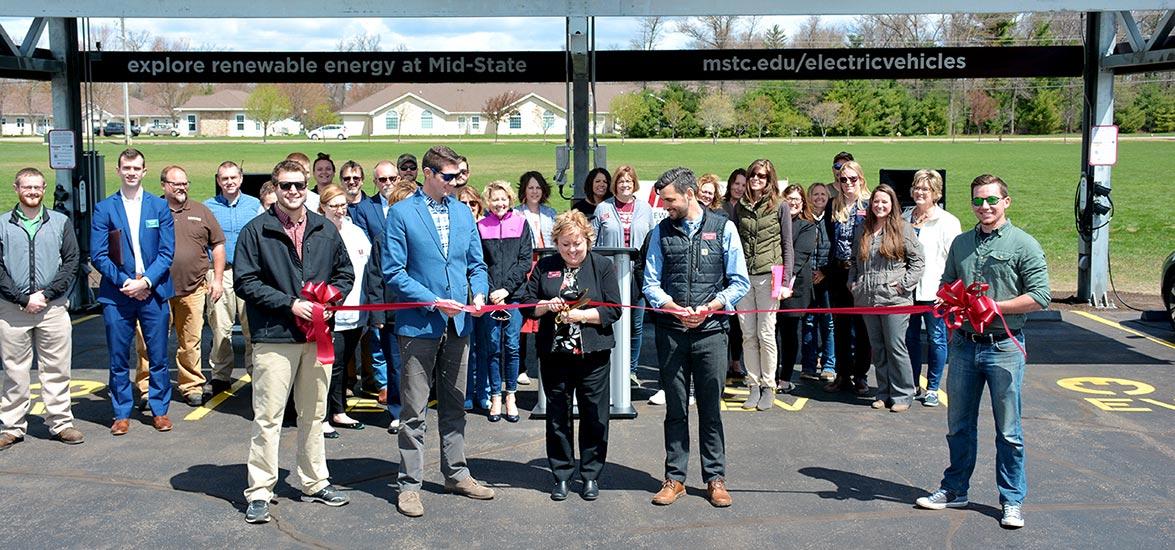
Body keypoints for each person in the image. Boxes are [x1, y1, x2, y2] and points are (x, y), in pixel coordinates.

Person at [915, 174, 1049, 530]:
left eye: (991, 200)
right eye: (978, 201)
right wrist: (953, 305)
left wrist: (995, 307)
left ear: (1006, 202)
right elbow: (945, 286)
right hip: (964, 348)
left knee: (1009, 431)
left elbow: (1040, 297)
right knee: (958, 425)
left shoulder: (1024, 244)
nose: (984, 207)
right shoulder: (961, 244)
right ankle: (955, 488)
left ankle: (1012, 500)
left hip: (1003, 348)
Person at [234, 160, 354, 524]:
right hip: (275, 336)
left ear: (308, 188)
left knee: (314, 414)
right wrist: (290, 304)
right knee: (268, 417)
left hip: (317, 338)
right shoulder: (256, 231)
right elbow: (246, 282)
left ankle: (314, 481)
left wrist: (332, 301)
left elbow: (344, 273)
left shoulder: (324, 229)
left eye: (299, 185)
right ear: (274, 188)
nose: (293, 192)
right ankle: (259, 490)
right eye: (285, 186)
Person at [384, 145, 495, 518]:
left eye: (458, 177)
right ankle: (409, 486)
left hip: (459, 323)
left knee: (455, 405)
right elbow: (394, 273)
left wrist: (477, 291)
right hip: (419, 325)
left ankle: (456, 473)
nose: (454, 183)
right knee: (414, 409)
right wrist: (433, 300)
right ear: (429, 174)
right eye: (448, 177)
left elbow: (476, 264)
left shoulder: (463, 213)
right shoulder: (400, 214)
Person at [644, 167, 749, 508]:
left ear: (689, 195)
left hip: (712, 333)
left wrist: (710, 307)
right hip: (672, 332)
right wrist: (673, 307)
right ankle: (675, 478)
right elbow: (650, 283)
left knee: (710, 409)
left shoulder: (723, 229)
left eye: (670, 199)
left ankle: (715, 478)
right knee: (675, 408)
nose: (665, 206)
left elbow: (739, 282)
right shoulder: (661, 231)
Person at [523, 210, 621, 501]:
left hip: (593, 354)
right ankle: (562, 475)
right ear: (556, 243)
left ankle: (590, 475)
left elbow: (613, 309)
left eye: (577, 243)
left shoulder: (602, 265)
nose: (572, 250)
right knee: (557, 417)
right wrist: (545, 305)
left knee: (594, 415)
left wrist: (581, 316)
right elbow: (527, 304)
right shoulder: (545, 266)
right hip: (555, 355)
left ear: (587, 240)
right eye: (565, 244)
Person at [90, 148, 176, 436]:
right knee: (118, 357)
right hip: (118, 293)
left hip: (153, 291)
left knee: (159, 356)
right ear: (118, 171)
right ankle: (121, 413)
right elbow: (98, 255)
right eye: (126, 168)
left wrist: (146, 282)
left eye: (136, 168)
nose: (131, 172)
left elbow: (167, 252)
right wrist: (127, 282)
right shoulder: (105, 208)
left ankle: (160, 410)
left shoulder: (159, 207)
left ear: (144, 171)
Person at [0, 167, 84, 449]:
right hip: (13, 310)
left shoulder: (60, 221)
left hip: (53, 308)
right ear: (16, 189)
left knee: (57, 368)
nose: (32, 192)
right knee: (14, 371)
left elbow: (72, 261)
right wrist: (23, 299)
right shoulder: (2, 224)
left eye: (37, 187)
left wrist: (47, 295)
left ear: (44, 189)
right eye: (27, 187)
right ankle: (12, 426)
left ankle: (60, 422)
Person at [133, 165, 226, 408]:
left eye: (185, 183)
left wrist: (216, 279)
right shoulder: (150, 209)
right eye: (176, 183)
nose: (181, 187)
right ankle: (147, 388)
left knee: (191, 341)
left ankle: (191, 385)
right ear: (164, 185)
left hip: (193, 288)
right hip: (154, 291)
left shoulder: (200, 211)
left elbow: (217, 245)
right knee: (149, 341)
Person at [850, 185, 924, 412]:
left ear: (892, 204)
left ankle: (902, 394)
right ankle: (883, 392)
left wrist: (903, 285)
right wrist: (853, 284)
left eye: (884, 202)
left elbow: (918, 261)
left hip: (894, 300)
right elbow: (854, 261)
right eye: (876, 202)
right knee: (878, 348)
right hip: (867, 299)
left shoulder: (903, 228)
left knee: (895, 346)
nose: (879, 206)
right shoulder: (863, 229)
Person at [317, 185, 383, 439]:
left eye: (343, 205)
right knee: (329, 366)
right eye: (333, 205)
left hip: (356, 311)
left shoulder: (356, 232)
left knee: (343, 365)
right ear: (323, 207)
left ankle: (338, 410)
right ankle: (322, 415)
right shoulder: (318, 232)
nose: (339, 210)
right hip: (328, 313)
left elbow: (368, 269)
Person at [731, 158, 793, 410]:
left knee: (766, 333)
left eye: (762, 175)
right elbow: (735, 244)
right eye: (754, 174)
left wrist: (785, 281)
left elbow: (787, 245)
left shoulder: (781, 206)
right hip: (745, 276)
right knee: (748, 334)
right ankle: (753, 385)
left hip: (771, 274)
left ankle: (769, 385)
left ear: (770, 179)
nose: (757, 179)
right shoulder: (740, 207)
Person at [902, 170, 962, 407]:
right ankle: (913, 383)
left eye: (925, 189)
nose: (920, 192)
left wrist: (947, 292)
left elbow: (955, 260)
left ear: (936, 193)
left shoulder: (948, 221)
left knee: (937, 339)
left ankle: (934, 387)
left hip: (934, 292)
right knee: (910, 338)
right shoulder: (904, 217)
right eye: (917, 187)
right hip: (906, 290)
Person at [474, 181, 532, 423]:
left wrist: (506, 289)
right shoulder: (480, 227)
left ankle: (511, 395)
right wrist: (490, 291)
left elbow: (524, 261)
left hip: (513, 296)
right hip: (490, 298)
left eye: (503, 199)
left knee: (512, 346)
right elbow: (479, 263)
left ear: (510, 200)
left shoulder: (520, 223)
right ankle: (495, 394)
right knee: (492, 347)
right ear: (488, 202)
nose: (499, 203)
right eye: (495, 199)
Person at [592, 164, 655, 385]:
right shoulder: (603, 209)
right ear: (615, 185)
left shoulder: (645, 209)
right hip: (610, 276)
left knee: (635, 325)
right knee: (609, 321)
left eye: (629, 181)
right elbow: (594, 241)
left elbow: (651, 242)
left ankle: (631, 370)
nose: (625, 185)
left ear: (634, 183)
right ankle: (609, 368)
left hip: (637, 275)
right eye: (621, 181)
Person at [205, 161, 261, 397]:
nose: (229, 182)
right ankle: (220, 376)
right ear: (218, 181)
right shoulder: (207, 207)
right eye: (224, 178)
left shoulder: (255, 205)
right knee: (220, 327)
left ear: (241, 179)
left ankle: (255, 374)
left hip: (249, 273)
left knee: (252, 328)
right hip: (221, 273)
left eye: (233, 178)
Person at [823, 160, 872, 396]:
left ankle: (861, 375)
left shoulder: (871, 204)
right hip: (838, 272)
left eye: (853, 179)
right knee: (840, 325)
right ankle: (842, 374)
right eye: (843, 180)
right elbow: (828, 239)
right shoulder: (833, 205)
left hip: (862, 273)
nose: (848, 184)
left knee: (862, 327)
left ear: (861, 179)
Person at [366, 160, 404, 428]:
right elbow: (375, 276)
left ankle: (417, 410)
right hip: (391, 313)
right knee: (395, 365)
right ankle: (397, 411)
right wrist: (377, 313)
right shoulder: (382, 240)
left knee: (418, 367)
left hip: (419, 310)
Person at [515, 170, 558, 385]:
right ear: (524, 190)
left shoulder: (551, 213)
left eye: (538, 188)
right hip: (525, 268)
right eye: (530, 187)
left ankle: (544, 364)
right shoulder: (516, 214)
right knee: (524, 317)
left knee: (544, 315)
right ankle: (520, 367)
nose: (534, 191)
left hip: (545, 266)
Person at [774, 184, 817, 394]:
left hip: (794, 288)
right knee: (770, 334)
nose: (793, 202)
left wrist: (784, 281)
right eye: (789, 198)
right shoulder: (776, 223)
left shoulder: (807, 226)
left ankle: (784, 377)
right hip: (772, 284)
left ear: (803, 204)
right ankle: (771, 375)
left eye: (797, 200)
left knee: (789, 335)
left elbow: (799, 256)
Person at [802, 182, 837, 382]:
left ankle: (829, 365)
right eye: (815, 194)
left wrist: (824, 271)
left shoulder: (833, 220)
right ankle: (808, 364)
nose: (819, 198)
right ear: (809, 197)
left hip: (827, 279)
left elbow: (837, 250)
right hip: (807, 280)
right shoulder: (804, 220)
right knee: (808, 322)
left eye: (823, 194)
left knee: (829, 322)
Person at [721, 167, 748, 380]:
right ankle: (722, 359)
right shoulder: (720, 207)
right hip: (720, 268)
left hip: (742, 266)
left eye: (743, 184)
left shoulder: (747, 208)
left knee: (740, 320)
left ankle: (736, 361)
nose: (739, 188)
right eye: (736, 183)